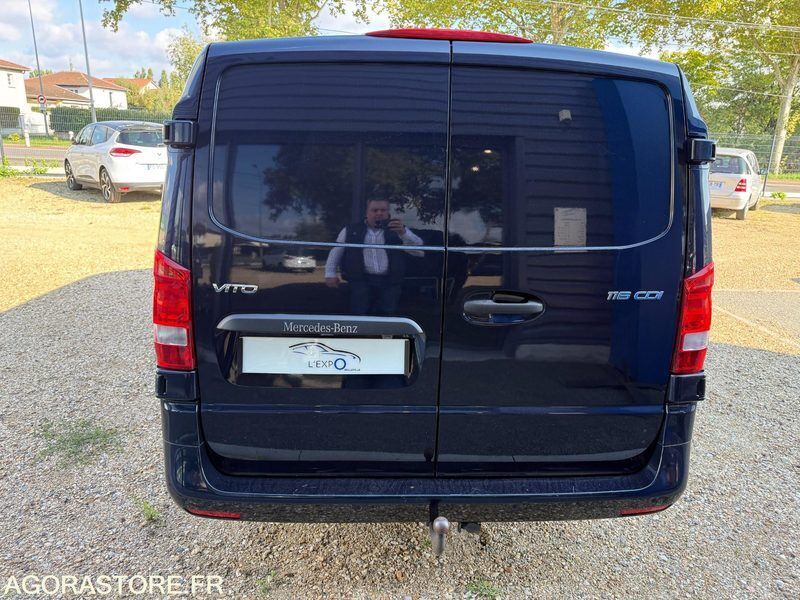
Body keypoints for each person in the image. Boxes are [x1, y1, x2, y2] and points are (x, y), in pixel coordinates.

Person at [325, 199, 424, 315]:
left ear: (388, 213)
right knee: (359, 314)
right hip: (360, 281)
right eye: (375, 210)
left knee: (388, 316)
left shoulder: (399, 230)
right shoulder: (350, 230)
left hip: (390, 282)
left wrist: (404, 233)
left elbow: (419, 251)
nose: (379, 213)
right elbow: (336, 251)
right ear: (366, 213)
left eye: (383, 210)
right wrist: (330, 273)